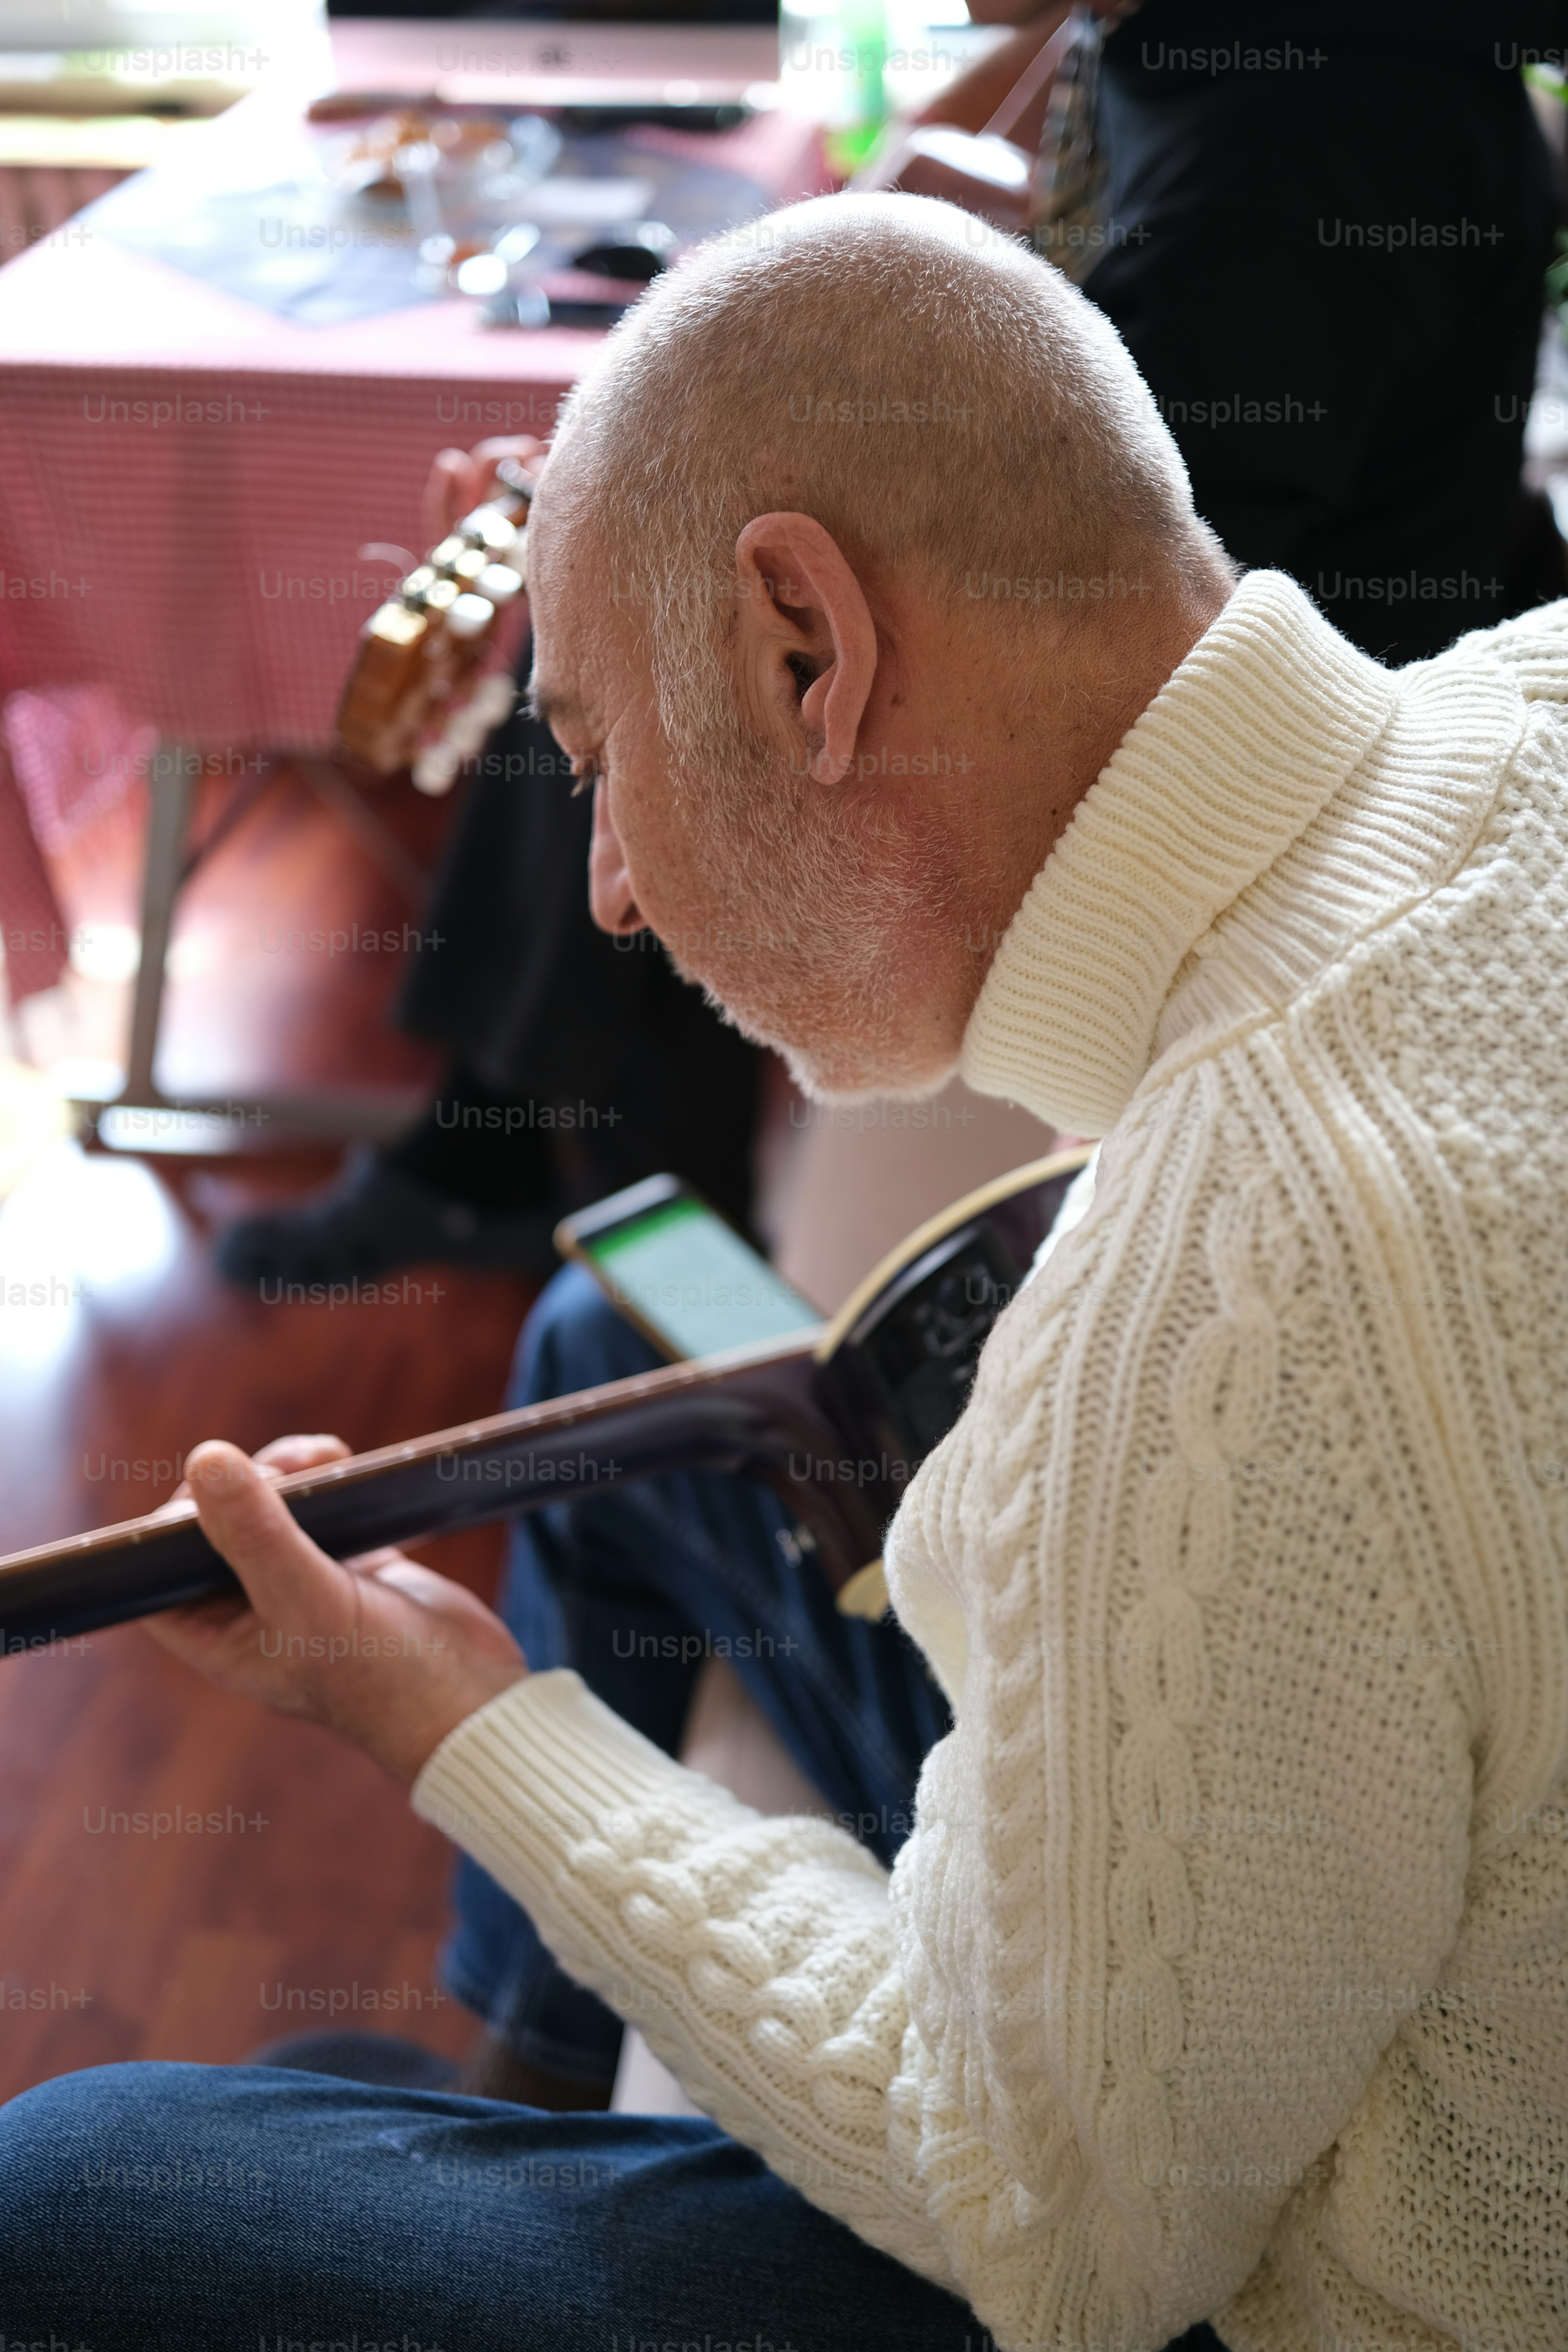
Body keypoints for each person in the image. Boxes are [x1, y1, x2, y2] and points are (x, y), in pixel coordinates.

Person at [6, 193, 1568, 2352]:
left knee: (63, 2194)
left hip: (1272, 2285)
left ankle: (474, 2162)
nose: (617, 891)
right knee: (609, 1331)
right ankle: (523, 2098)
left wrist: (454, 1719)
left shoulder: (1232, 1278)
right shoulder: (1528, 695)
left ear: (805, 649)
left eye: (597, 762)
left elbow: (1059, 2238)